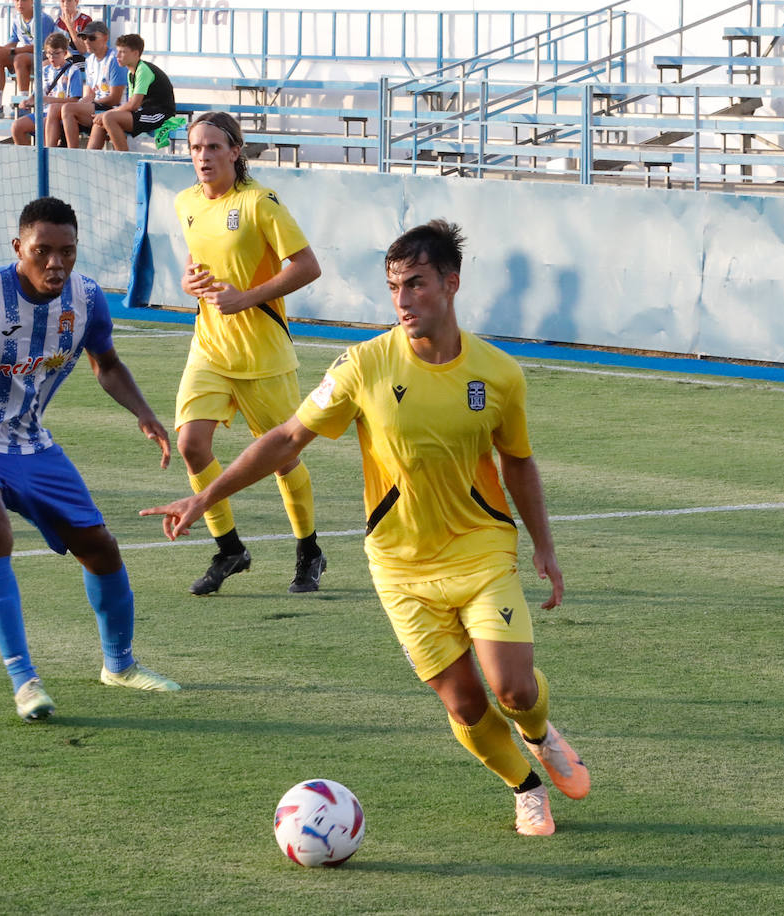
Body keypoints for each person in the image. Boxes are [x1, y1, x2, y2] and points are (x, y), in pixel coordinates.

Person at [142, 219, 590, 836]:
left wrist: (544, 544)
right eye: (393, 288)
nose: (403, 301)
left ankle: (539, 733)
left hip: (481, 550)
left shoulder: (499, 373)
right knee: (462, 702)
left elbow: (517, 460)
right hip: (400, 564)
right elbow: (286, 439)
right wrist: (205, 496)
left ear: (451, 284)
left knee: (511, 689)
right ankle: (526, 785)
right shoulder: (362, 365)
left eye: (416, 285)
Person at [0, 196, 180, 722]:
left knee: (101, 548)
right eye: (41, 251)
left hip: (32, 443)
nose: (55, 264)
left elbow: (106, 362)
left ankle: (119, 665)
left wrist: (144, 413)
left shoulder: (88, 299)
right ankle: (24, 680)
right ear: (17, 248)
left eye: (66, 251)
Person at [169, 111, 325, 596]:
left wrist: (247, 297)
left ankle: (309, 550)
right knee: (192, 446)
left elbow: (307, 266)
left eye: (213, 147)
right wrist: (189, 282)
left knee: (283, 457)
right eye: (196, 148)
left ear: (236, 151)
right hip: (210, 348)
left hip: (263, 354)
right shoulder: (185, 203)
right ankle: (229, 548)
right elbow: (196, 264)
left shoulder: (260, 203)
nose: (203, 156)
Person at [88, 33, 176, 152]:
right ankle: (90, 159)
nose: (117, 56)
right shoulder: (130, 72)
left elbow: (134, 105)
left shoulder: (143, 70)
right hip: (145, 112)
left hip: (160, 115)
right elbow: (131, 104)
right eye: (118, 51)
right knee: (101, 121)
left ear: (135, 53)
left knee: (108, 117)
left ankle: (124, 161)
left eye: (122, 52)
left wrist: (106, 114)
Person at [0, 0, 58, 118]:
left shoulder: (43, 19)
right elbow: (12, 43)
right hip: (25, 57)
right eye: (17, 0)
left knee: (20, 58)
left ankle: (24, 104)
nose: (20, 3)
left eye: (24, 0)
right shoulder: (17, 19)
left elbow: (41, 46)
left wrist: (12, 51)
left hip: (45, 58)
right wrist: (1, 50)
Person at [58, 21, 125, 150]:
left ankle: (71, 153)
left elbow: (115, 98)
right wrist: (83, 103)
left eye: (92, 38)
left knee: (67, 109)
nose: (87, 41)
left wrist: (88, 104)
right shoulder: (89, 61)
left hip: (116, 109)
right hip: (98, 107)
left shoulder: (114, 60)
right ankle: (49, 151)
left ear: (105, 38)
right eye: (83, 37)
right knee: (55, 110)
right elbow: (90, 94)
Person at [10, 32, 85, 147]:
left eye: (56, 54)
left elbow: (74, 101)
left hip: (59, 115)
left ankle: (46, 159)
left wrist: (49, 100)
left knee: (44, 125)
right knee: (16, 127)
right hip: (43, 112)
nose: (52, 57)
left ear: (65, 53)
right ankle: (31, 160)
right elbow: (37, 94)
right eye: (49, 54)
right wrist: (28, 101)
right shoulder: (45, 70)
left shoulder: (73, 71)